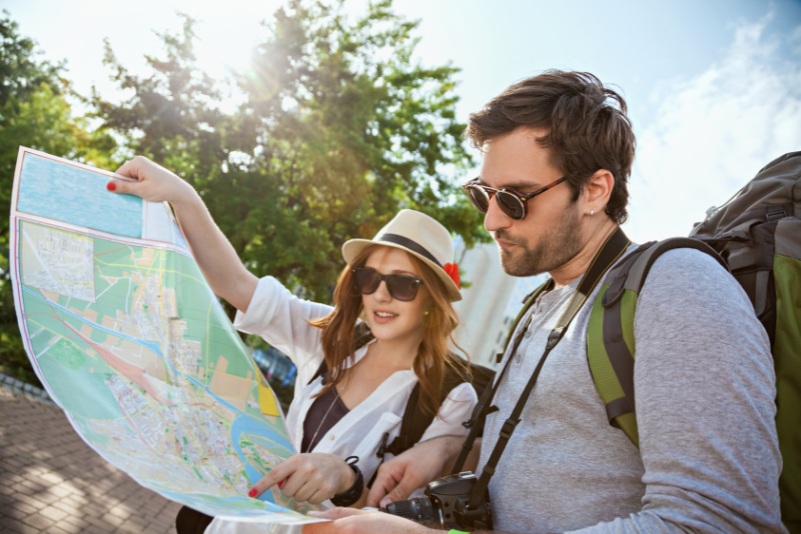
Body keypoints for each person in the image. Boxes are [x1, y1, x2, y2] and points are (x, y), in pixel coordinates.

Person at [302, 71, 786, 533]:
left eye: (515, 198)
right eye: (483, 194)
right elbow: (546, 458)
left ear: (595, 190)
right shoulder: (541, 303)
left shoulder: (677, 288)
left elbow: (720, 523)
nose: (491, 221)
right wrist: (449, 451)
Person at [107, 161, 479, 533]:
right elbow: (235, 283)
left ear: (432, 296)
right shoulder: (331, 334)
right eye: (369, 278)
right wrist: (182, 196)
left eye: (402, 284)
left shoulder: (452, 396)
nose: (380, 295)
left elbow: (400, 521)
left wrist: (346, 481)